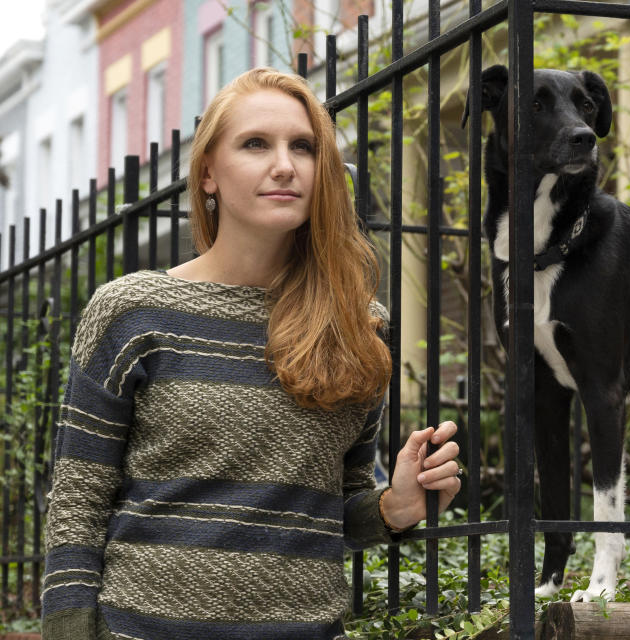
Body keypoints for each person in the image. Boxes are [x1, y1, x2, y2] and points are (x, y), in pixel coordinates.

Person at [40, 67, 462, 640]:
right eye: (256, 144)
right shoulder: (131, 311)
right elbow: (76, 503)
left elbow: (339, 505)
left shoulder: (358, 325)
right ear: (209, 172)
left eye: (304, 147)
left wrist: (397, 505)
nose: (285, 165)